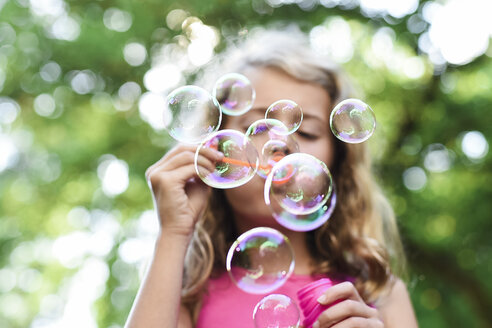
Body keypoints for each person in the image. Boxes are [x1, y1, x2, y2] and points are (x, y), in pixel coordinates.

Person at [125, 26, 419, 328]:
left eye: (305, 131)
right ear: (214, 147)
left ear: (337, 162)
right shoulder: (186, 292)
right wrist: (173, 233)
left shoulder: (379, 291)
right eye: (257, 126)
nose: (280, 143)